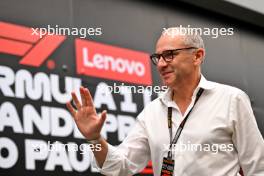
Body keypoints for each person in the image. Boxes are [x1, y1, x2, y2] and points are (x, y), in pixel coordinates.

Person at [66, 28, 264, 176]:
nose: (160, 64)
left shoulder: (231, 99)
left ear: (197, 56)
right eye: (157, 57)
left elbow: (257, 168)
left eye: (169, 55)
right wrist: (94, 139)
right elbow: (120, 167)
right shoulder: (151, 113)